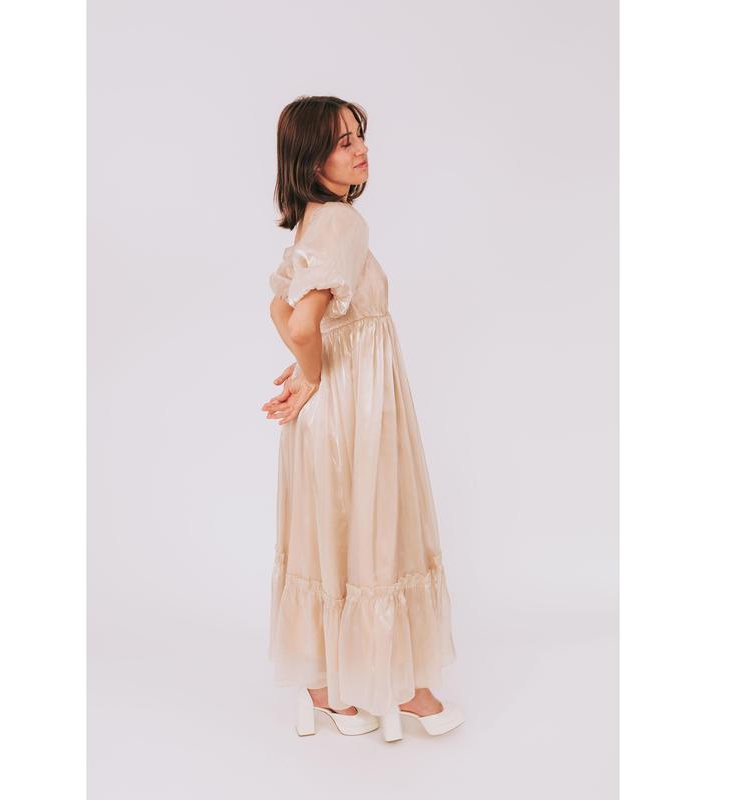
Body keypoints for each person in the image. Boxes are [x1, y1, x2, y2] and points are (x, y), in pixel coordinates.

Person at [262, 95, 464, 741]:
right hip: (355, 407)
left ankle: (329, 691)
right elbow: (300, 322)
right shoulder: (344, 225)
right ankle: (402, 689)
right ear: (310, 159)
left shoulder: (314, 223)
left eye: (359, 136)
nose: (360, 149)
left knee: (331, 536)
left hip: (334, 409)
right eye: (342, 141)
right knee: (378, 530)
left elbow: (280, 308)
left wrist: (309, 370)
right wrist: (313, 371)